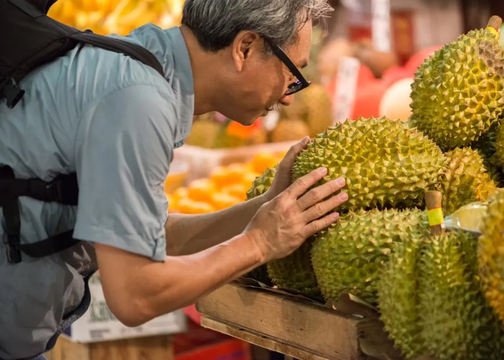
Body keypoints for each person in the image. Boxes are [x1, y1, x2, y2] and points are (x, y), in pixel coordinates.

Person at [0, 1, 348, 359]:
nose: (290, 99)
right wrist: (259, 244)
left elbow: (150, 236)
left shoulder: (142, 63)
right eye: (293, 75)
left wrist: (265, 208)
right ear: (245, 48)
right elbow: (135, 294)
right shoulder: (139, 99)